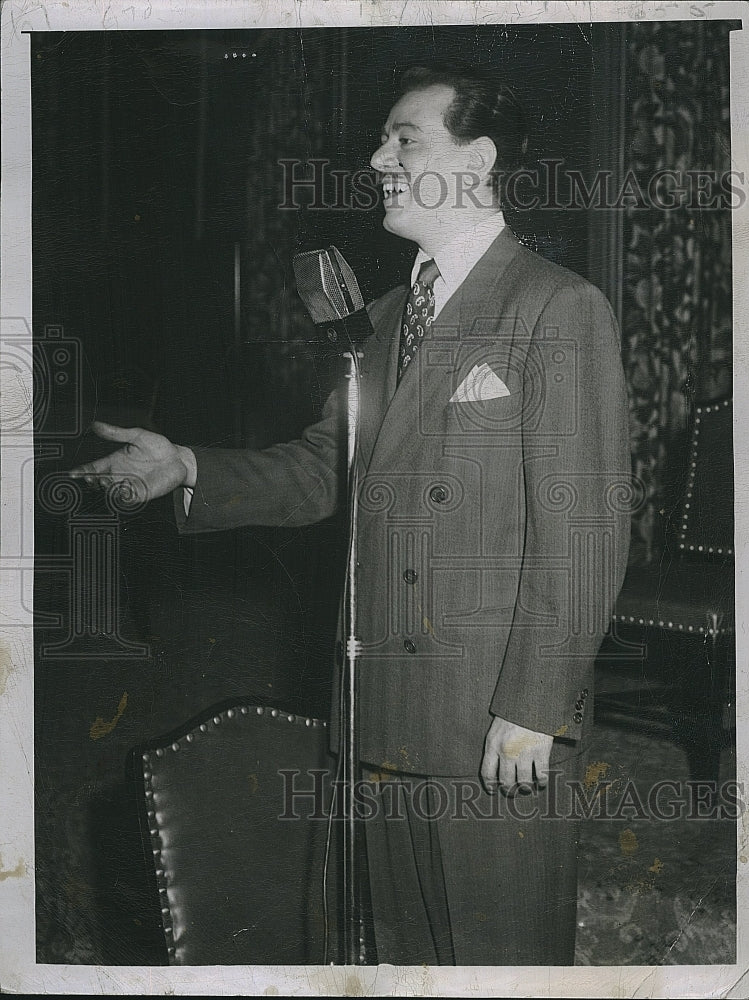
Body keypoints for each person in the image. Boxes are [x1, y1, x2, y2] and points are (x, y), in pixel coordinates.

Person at [70, 63, 632, 965]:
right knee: (389, 943)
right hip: (375, 696)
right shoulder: (380, 319)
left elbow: (585, 527)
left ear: (476, 158)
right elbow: (325, 469)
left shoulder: (554, 306)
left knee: (496, 954)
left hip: (489, 713)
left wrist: (533, 706)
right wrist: (185, 466)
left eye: (403, 139)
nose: (377, 158)